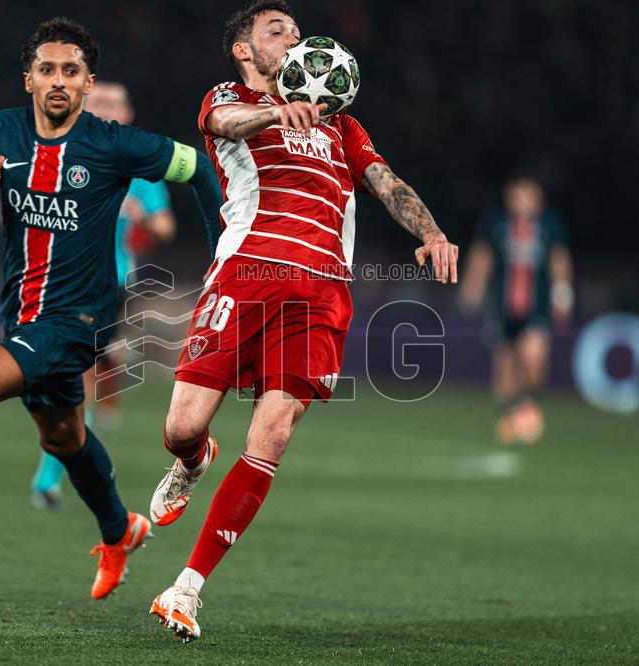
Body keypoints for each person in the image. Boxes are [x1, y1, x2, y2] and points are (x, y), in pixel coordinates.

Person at [146, 0, 459, 642]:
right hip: (243, 280)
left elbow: (386, 180)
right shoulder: (227, 99)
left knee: (271, 436)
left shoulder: (341, 125)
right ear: (245, 49)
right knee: (181, 426)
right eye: (276, 29)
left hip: (320, 296)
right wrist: (274, 111)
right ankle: (193, 457)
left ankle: (187, 589)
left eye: (295, 29)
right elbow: (226, 123)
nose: (292, 37)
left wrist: (430, 232)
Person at [0, 17, 223, 601]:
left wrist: (226, 247)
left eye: (71, 71)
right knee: (64, 438)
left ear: (88, 81)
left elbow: (196, 166)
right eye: (47, 69)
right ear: (28, 79)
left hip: (81, 323)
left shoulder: (114, 143)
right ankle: (120, 531)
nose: (58, 81)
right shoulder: (3, 131)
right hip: (22, 316)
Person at [30, 81, 180, 509]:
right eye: (99, 103)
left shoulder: (139, 170)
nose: (108, 110)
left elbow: (166, 226)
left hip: (106, 285)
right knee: (65, 375)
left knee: (76, 376)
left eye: (116, 104)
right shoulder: (60, 155)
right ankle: (85, 436)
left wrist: (140, 218)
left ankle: (50, 476)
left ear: (129, 115)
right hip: (52, 277)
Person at [460, 175, 573, 445]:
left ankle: (529, 407)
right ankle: (511, 415)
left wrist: (562, 294)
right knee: (505, 367)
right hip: (503, 305)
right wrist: (473, 286)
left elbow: (559, 259)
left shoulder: (548, 224)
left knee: (533, 358)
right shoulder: (497, 222)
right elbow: (482, 255)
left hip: (537, 305)